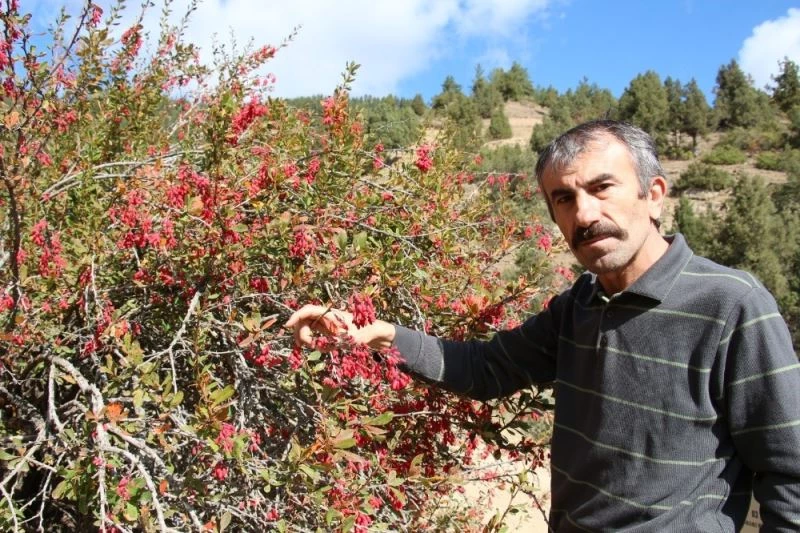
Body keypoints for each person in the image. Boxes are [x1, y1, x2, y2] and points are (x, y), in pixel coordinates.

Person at [286, 120, 800, 531]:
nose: (584, 214)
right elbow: (488, 368)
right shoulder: (580, 303)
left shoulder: (731, 304)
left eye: (602, 188)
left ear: (654, 193)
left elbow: (789, 471)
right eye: (563, 198)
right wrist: (382, 335)